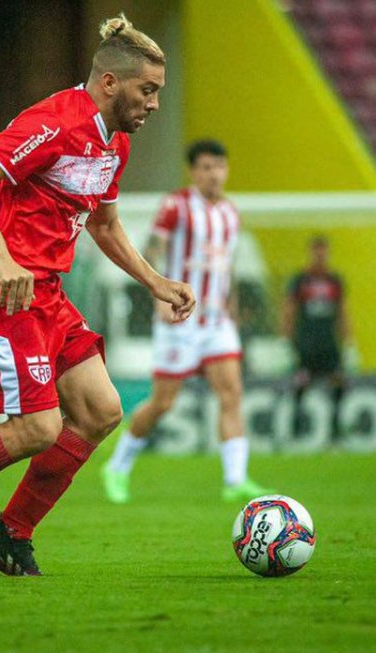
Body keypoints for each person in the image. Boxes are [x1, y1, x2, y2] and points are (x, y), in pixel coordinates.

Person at [0, 13, 195, 578]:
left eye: (158, 93)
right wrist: (2, 258)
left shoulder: (113, 142)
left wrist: (156, 282)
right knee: (39, 427)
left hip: (43, 291)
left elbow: (103, 225)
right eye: (147, 90)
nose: (153, 103)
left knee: (100, 410)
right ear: (109, 83)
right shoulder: (56, 121)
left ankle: (9, 535)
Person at [101, 139, 273, 505]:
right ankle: (118, 465)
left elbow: (227, 268)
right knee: (163, 403)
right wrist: (158, 298)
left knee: (232, 395)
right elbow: (151, 252)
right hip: (179, 318)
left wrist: (232, 308)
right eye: (207, 167)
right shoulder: (176, 207)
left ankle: (235, 479)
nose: (214, 174)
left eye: (220, 166)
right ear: (194, 171)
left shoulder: (230, 212)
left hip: (216, 321)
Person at [281, 236, 353, 439]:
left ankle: (335, 428)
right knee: (300, 384)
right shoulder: (300, 280)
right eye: (317, 251)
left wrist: (348, 342)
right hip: (306, 342)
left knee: (339, 383)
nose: (320, 256)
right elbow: (289, 310)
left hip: (329, 341)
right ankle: (295, 427)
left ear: (327, 253)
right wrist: (285, 339)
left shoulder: (335, 280)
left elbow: (343, 311)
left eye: (323, 251)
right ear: (311, 253)